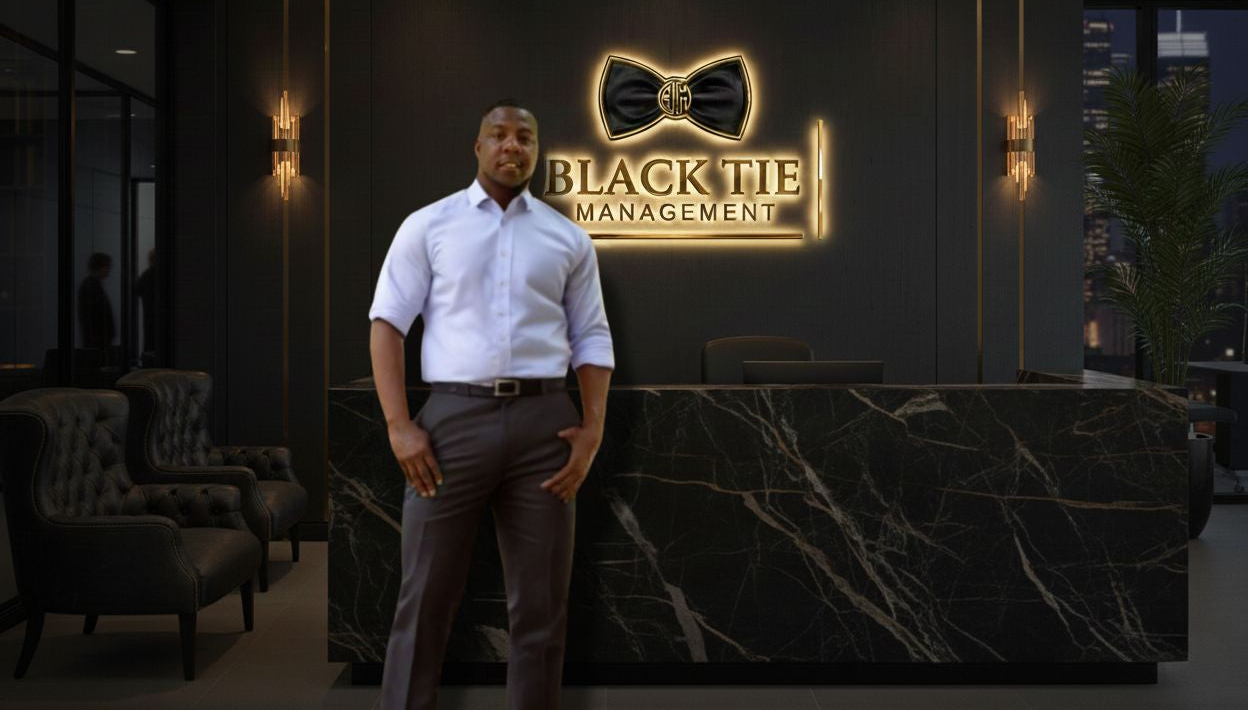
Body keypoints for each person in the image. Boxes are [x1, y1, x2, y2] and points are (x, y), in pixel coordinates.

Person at [369, 99, 614, 710]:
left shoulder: (568, 238)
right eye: (499, 136)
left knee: (540, 607)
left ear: (537, 150)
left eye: (524, 137)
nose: (512, 146)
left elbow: (593, 337)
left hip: (545, 429)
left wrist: (592, 431)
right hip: (452, 423)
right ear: (477, 148)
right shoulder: (428, 226)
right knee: (424, 597)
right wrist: (400, 427)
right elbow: (387, 325)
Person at [77, 252, 116, 349]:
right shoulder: (92, 286)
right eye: (107, 267)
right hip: (97, 342)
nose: (108, 270)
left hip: (97, 341)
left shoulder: (91, 285)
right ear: (100, 267)